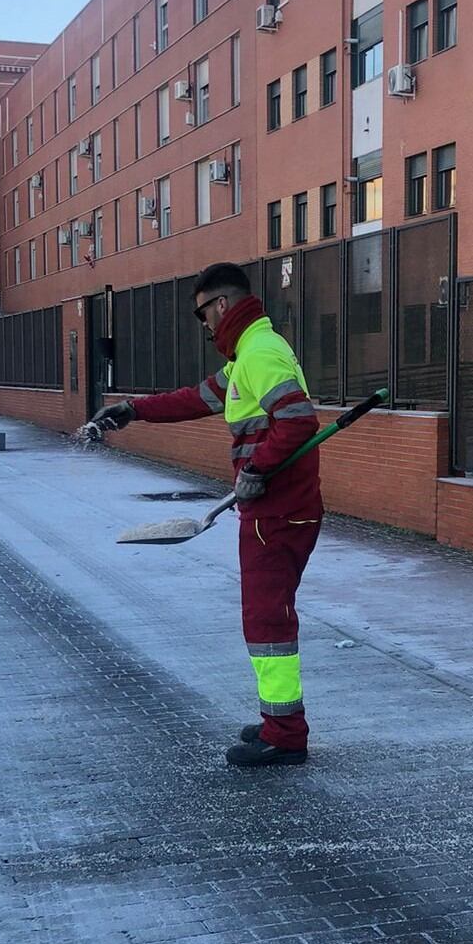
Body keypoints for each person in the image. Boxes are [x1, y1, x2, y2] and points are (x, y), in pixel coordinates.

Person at [90, 263, 322, 767]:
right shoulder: (249, 355)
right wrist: (134, 410)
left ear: (220, 305)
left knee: (267, 622)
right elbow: (197, 398)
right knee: (266, 618)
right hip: (271, 509)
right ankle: (276, 720)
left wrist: (258, 468)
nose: (203, 324)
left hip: (278, 512)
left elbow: (299, 421)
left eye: (202, 312)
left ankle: (285, 734)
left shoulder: (259, 353)